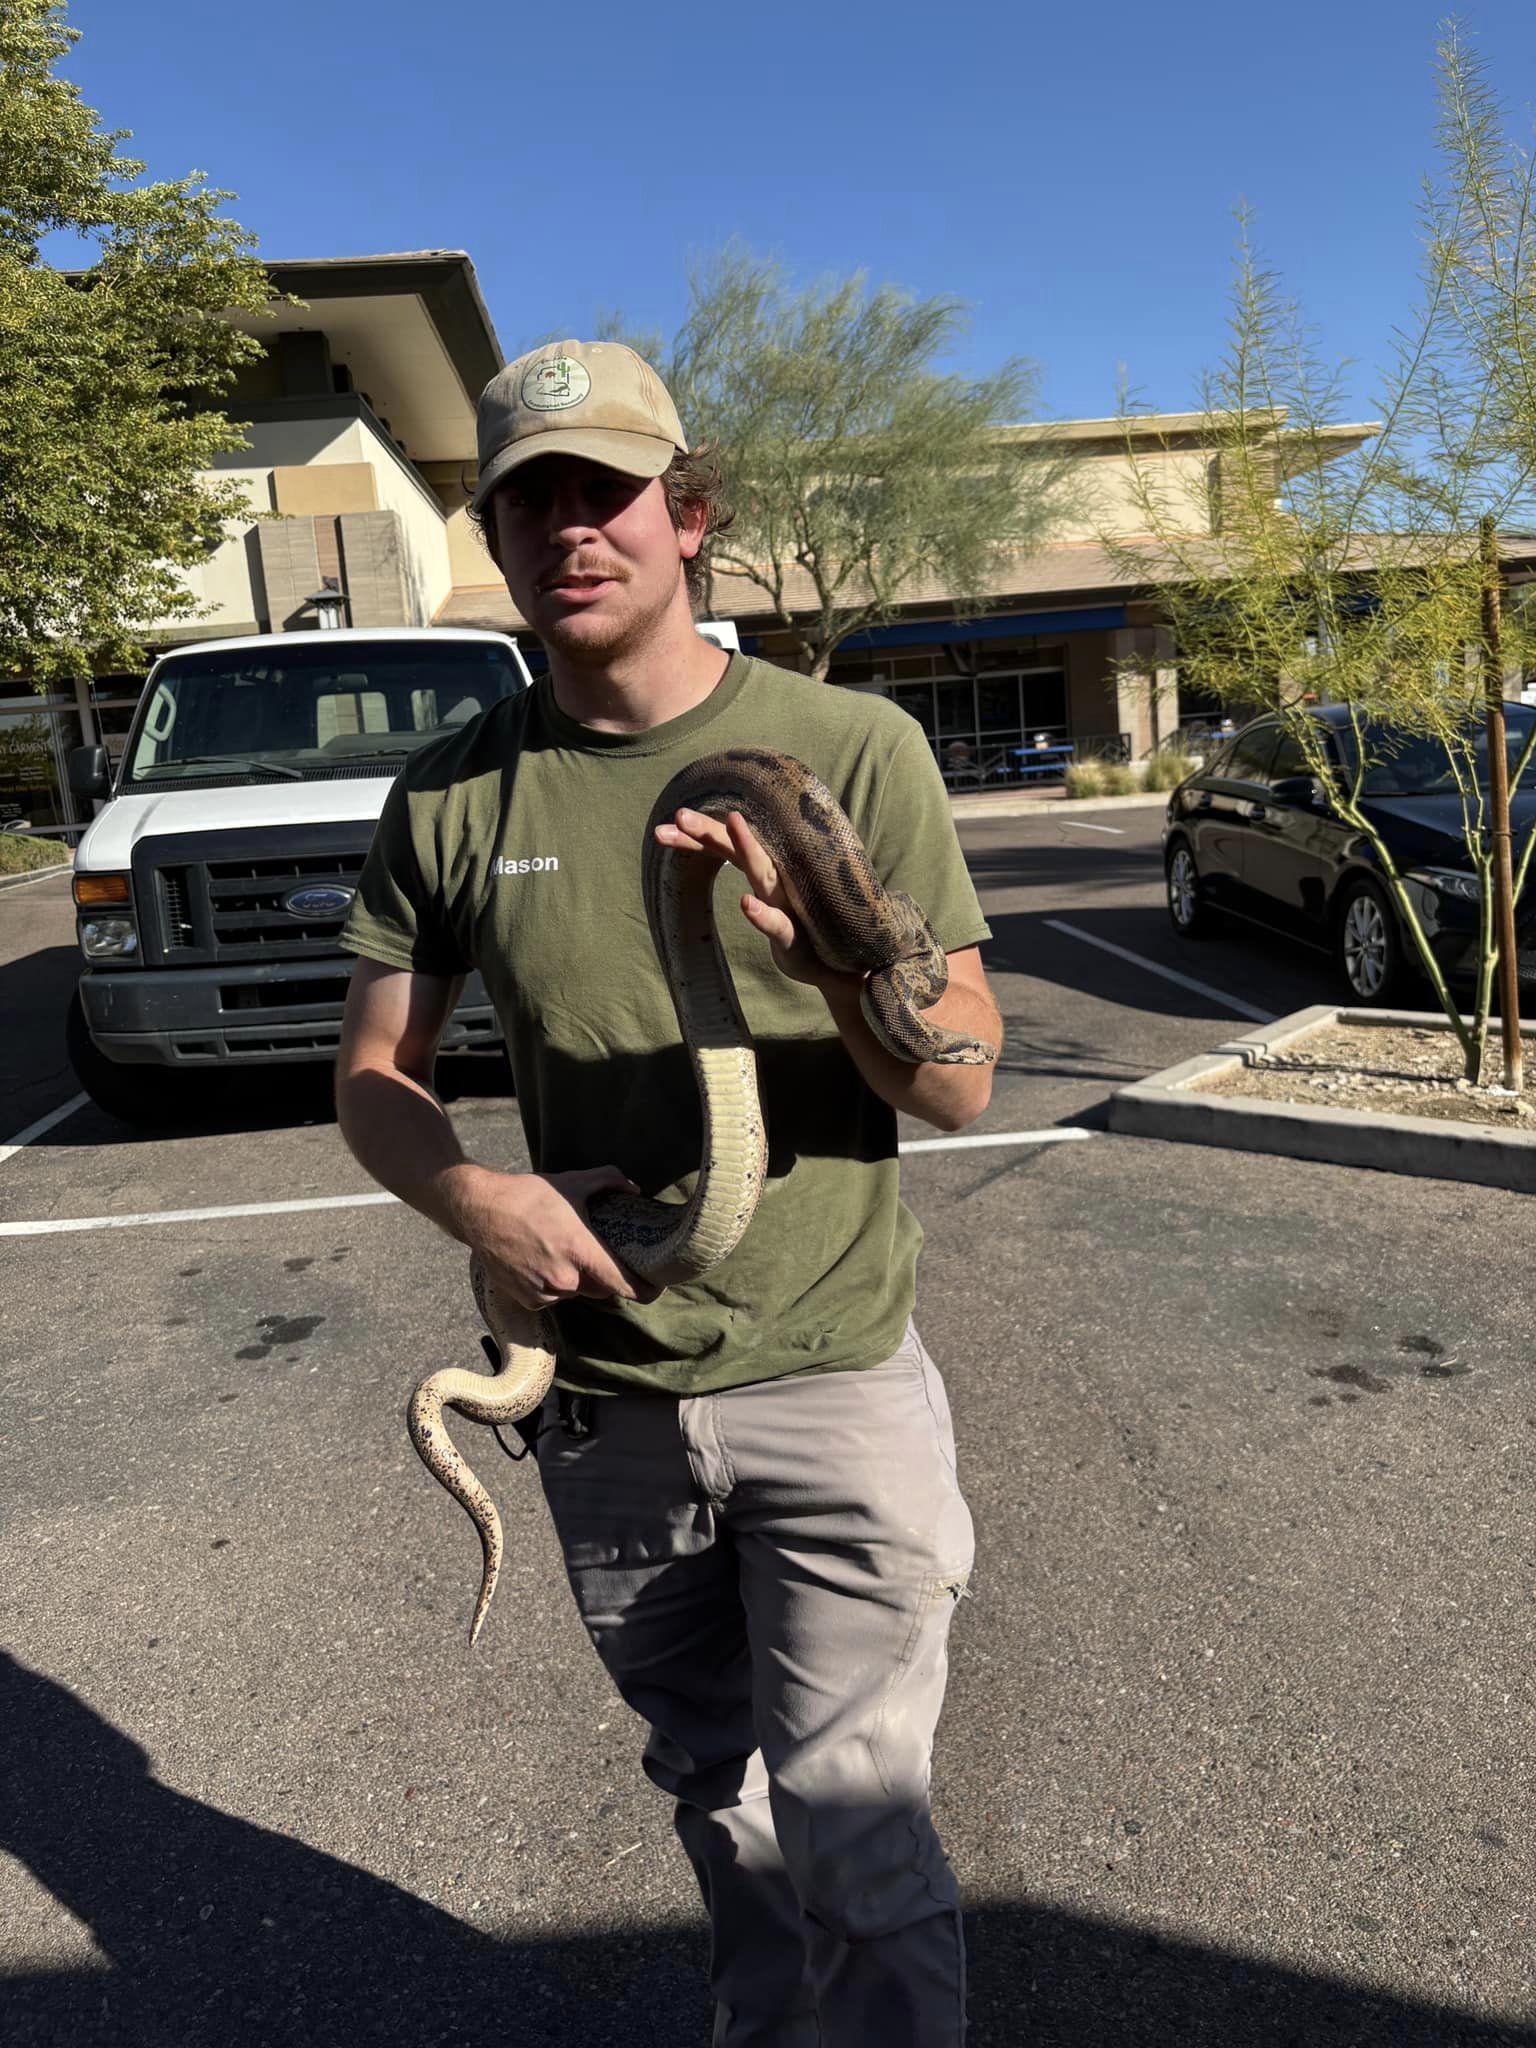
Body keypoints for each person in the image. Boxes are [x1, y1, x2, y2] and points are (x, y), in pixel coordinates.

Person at [334, 339, 1002, 2048]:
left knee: (856, 1823)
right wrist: (475, 1199)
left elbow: (958, 1079)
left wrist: (835, 969)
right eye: (530, 500)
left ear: (688, 515)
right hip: (608, 1400)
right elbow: (375, 1073)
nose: (572, 529)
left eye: (608, 492)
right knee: (720, 1792)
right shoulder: (456, 789)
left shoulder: (846, 751)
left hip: (829, 1376)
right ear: (495, 536)